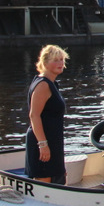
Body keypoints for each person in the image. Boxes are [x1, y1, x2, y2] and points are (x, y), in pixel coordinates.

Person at [25, 45, 69, 184]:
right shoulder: (43, 84)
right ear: (45, 63)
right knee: (45, 181)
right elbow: (34, 115)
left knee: (58, 180)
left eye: (61, 59)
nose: (60, 63)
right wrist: (43, 144)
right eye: (55, 60)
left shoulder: (52, 83)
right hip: (43, 140)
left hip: (53, 140)